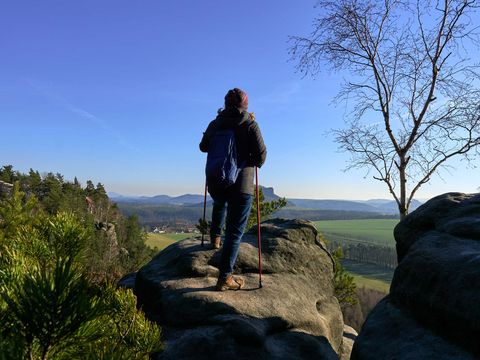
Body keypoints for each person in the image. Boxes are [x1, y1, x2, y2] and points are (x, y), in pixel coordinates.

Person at [199, 88, 267, 291]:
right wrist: (245, 160)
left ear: (225, 104)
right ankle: (225, 278)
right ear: (245, 105)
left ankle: (215, 238)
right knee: (235, 234)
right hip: (242, 184)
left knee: (219, 203)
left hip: (216, 180)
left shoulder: (215, 123)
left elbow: (203, 147)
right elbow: (261, 158)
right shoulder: (250, 124)